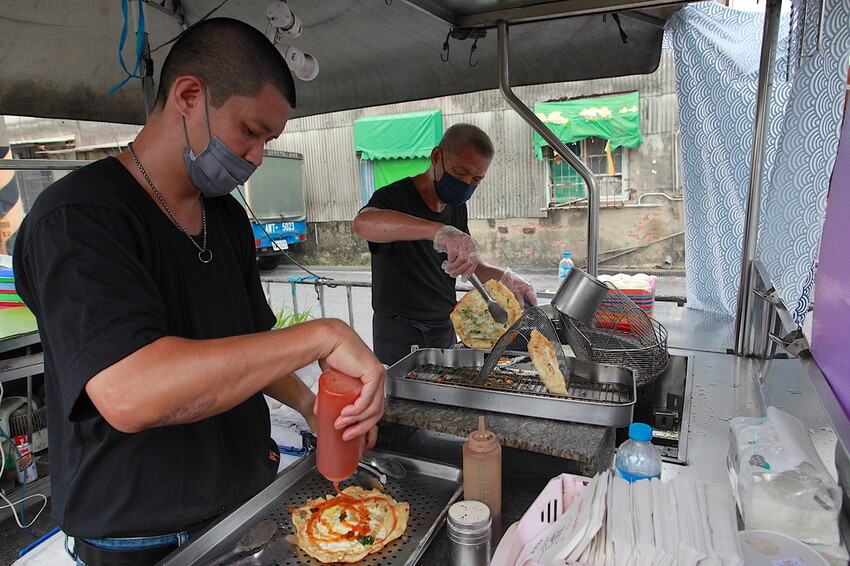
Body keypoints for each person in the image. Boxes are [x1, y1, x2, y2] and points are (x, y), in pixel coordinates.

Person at [13, 18, 385, 566]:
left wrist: (310, 405)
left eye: (268, 141)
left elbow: (249, 347)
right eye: (250, 131)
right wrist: (324, 335)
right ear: (189, 96)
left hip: (244, 503)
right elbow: (131, 393)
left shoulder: (226, 218)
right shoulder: (79, 218)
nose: (256, 156)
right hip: (141, 535)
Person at [353, 123, 537, 366]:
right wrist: (437, 231)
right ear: (436, 157)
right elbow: (363, 223)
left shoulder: (455, 206)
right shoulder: (394, 197)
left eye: (476, 179)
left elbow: (468, 263)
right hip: (400, 331)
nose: (467, 183)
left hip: (444, 326)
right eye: (461, 173)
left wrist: (505, 277)